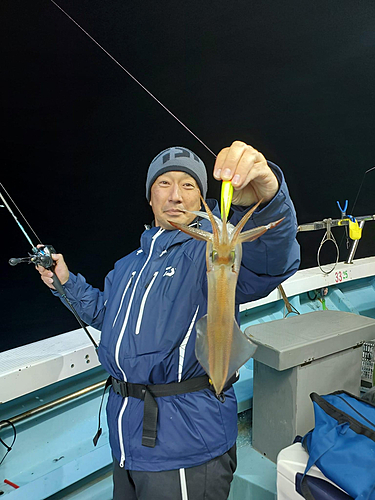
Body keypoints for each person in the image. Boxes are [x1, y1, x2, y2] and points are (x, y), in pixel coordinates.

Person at [37, 141, 300, 500]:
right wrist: (66, 283)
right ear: (150, 197)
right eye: (164, 183)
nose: (175, 195)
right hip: (126, 441)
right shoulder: (128, 265)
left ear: (203, 200)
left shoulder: (208, 250)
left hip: (186, 443)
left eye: (188, 185)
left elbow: (270, 261)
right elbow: (104, 313)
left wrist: (267, 202)